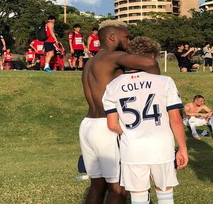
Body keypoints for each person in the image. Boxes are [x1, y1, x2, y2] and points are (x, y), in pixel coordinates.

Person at [79, 20, 160, 204]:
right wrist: (157, 87)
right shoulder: (111, 57)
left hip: (88, 125)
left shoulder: (91, 61)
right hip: (107, 126)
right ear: (112, 37)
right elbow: (150, 62)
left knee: (97, 185)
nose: (129, 41)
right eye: (126, 37)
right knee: (118, 189)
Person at [102, 36, 188, 204]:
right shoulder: (165, 81)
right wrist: (182, 148)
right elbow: (175, 119)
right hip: (161, 147)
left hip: (132, 149)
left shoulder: (113, 85)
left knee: (138, 198)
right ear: (153, 57)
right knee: (165, 196)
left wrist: (130, 133)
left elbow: (112, 124)